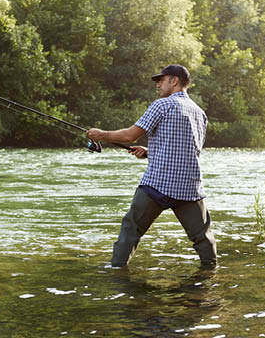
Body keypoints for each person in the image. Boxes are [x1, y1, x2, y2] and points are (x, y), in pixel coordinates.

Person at [86, 64, 217, 267]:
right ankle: (211, 273)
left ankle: (117, 271)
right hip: (190, 187)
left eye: (161, 80)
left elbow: (130, 135)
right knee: (202, 237)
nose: (158, 85)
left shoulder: (161, 105)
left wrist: (102, 135)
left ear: (174, 81)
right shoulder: (200, 113)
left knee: (131, 228)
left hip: (158, 184)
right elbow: (188, 149)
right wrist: (150, 152)